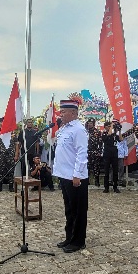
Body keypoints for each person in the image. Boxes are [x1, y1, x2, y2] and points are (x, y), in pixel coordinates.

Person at [53, 99, 89, 253]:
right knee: (69, 209)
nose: (61, 114)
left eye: (63, 112)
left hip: (75, 176)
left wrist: (77, 175)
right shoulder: (64, 129)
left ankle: (78, 241)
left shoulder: (78, 129)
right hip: (64, 174)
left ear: (73, 113)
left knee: (78, 210)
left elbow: (82, 154)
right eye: (61, 111)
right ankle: (69, 237)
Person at [0, 121, 16, 193]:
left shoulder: (12, 133)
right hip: (1, 154)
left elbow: (17, 145)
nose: (2, 124)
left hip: (10, 155)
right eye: (1, 122)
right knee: (0, 170)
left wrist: (16, 155)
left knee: (11, 170)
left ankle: (11, 186)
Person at [101, 121, 121, 193]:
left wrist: (119, 131)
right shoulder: (104, 133)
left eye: (110, 126)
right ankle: (106, 187)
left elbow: (121, 139)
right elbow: (108, 135)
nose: (110, 127)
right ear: (105, 127)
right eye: (108, 126)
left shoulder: (114, 134)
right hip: (107, 153)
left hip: (114, 153)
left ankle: (115, 187)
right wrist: (112, 126)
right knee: (106, 170)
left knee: (115, 171)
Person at [84, 118, 103, 186]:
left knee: (96, 167)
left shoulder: (97, 132)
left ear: (94, 124)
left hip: (95, 151)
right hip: (87, 151)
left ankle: (97, 181)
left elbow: (100, 143)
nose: (89, 124)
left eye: (91, 123)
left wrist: (100, 152)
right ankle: (87, 180)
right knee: (87, 167)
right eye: (88, 123)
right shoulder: (85, 131)